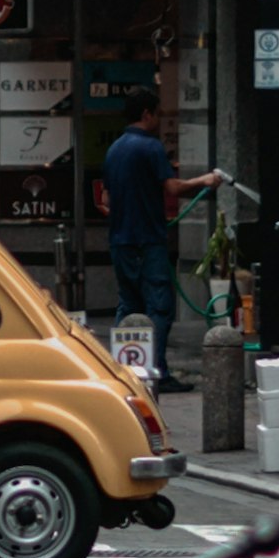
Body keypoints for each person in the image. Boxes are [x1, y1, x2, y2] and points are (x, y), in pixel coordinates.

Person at [97, 93, 220, 388]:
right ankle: (157, 372)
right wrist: (205, 181)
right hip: (147, 240)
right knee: (159, 307)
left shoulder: (113, 150)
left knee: (128, 305)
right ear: (147, 113)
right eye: (158, 113)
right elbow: (173, 188)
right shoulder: (150, 147)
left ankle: (121, 370)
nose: (160, 120)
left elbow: (105, 200)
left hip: (120, 241)